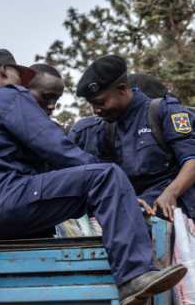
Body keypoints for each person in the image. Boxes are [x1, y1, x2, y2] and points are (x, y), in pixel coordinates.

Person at [0, 49, 185, 305]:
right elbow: (58, 148)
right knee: (107, 175)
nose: (25, 86)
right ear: (5, 72)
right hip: (4, 198)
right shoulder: (9, 95)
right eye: (21, 76)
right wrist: (123, 194)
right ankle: (133, 276)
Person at [70, 55, 195, 221]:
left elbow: (192, 161)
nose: (95, 110)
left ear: (122, 89)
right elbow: (108, 178)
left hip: (176, 205)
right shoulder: (107, 130)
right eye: (92, 104)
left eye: (100, 102)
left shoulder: (165, 112)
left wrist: (170, 193)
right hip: (137, 206)